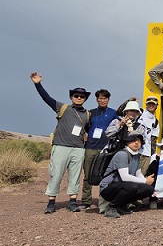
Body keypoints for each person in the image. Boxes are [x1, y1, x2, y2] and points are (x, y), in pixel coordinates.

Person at [30, 72, 90, 214]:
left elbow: (87, 130)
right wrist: (37, 84)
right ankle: (51, 202)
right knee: (56, 174)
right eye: (76, 95)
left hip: (78, 148)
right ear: (71, 97)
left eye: (82, 96)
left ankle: (73, 202)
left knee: (75, 176)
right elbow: (47, 98)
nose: (79, 98)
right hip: (61, 146)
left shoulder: (87, 114)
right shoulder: (62, 108)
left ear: (85, 99)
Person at [99, 131, 155, 218]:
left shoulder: (136, 156)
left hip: (122, 187)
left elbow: (138, 174)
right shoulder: (122, 154)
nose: (137, 143)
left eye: (139, 141)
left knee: (149, 189)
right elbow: (124, 177)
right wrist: (145, 180)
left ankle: (121, 205)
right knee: (132, 187)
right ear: (127, 141)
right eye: (133, 140)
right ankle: (111, 207)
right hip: (108, 188)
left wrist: (147, 182)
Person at [81, 89, 118, 210]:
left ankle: (104, 200)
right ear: (97, 99)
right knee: (88, 174)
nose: (102, 100)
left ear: (108, 99)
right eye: (100, 98)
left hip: (106, 148)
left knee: (105, 175)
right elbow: (85, 127)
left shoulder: (113, 113)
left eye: (105, 98)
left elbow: (120, 124)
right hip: (91, 147)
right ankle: (86, 200)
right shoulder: (91, 113)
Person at [137, 96, 160, 175]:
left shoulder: (156, 122)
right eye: (149, 104)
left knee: (141, 176)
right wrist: (129, 101)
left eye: (153, 104)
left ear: (157, 106)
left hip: (146, 153)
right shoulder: (139, 113)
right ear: (146, 104)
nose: (151, 106)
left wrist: (152, 155)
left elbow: (153, 140)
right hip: (135, 150)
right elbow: (120, 112)